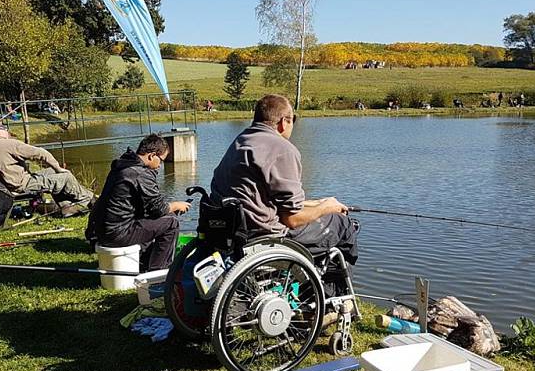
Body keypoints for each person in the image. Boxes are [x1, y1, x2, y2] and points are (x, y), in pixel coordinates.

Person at [210, 94, 358, 266]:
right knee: (343, 224)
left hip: (231, 229)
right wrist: (326, 209)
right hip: (264, 236)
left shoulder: (241, 141)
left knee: (328, 214)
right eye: (293, 120)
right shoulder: (283, 149)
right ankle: (336, 289)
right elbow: (292, 219)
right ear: (283, 122)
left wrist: (318, 203)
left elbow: (266, 199)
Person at [86, 134, 191, 271]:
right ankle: (158, 270)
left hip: (101, 230)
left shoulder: (124, 164)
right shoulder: (140, 173)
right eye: (161, 161)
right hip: (116, 233)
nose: (160, 166)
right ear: (151, 156)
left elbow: (150, 207)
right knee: (171, 222)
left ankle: (144, 261)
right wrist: (177, 205)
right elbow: (158, 208)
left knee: (157, 219)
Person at [0, 126, 94, 217]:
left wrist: (55, 170)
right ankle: (90, 200)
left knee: (53, 172)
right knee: (66, 176)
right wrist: (58, 168)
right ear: (6, 132)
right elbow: (41, 153)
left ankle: (66, 207)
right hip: (21, 185)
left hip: (3, 186)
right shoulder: (9, 144)